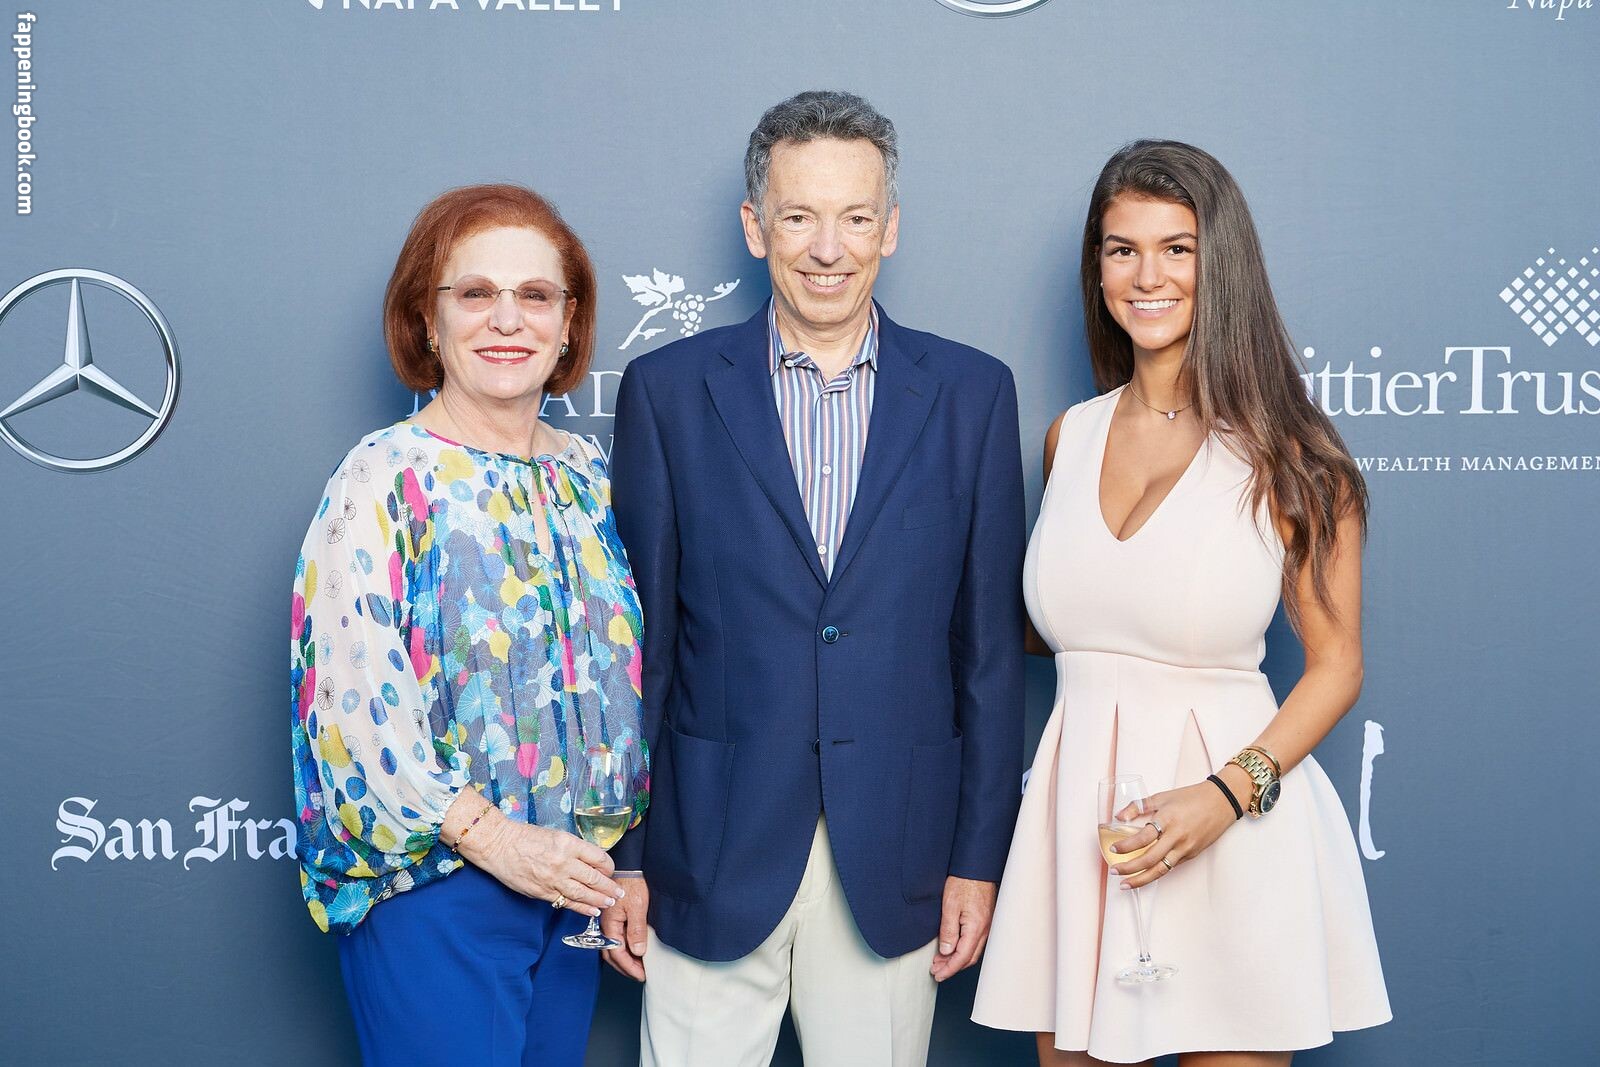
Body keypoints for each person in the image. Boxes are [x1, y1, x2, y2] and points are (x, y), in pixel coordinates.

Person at [603, 90, 1026, 1066]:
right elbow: (642, 651)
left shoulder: (972, 394)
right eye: (798, 216)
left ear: (890, 228)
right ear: (756, 227)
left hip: (897, 852)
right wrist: (626, 854)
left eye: (855, 217)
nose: (827, 248)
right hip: (706, 850)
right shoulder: (668, 392)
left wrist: (977, 858)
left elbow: (988, 658)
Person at [972, 141, 1391, 1065]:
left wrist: (1226, 796)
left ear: (1221, 263)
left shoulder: (1294, 457)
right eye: (1122, 249)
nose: (1147, 276)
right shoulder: (1070, 437)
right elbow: (1063, 625)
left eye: (1177, 248)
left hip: (1231, 821)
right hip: (1084, 822)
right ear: (1098, 268)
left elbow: (1337, 665)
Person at [288, 184, 648, 1067]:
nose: (507, 320)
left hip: (573, 889)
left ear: (569, 323)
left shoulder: (588, 476)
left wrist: (619, 857)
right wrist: (500, 842)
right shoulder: (383, 477)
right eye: (476, 293)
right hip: (437, 888)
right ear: (428, 318)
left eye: (536, 295)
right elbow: (351, 716)